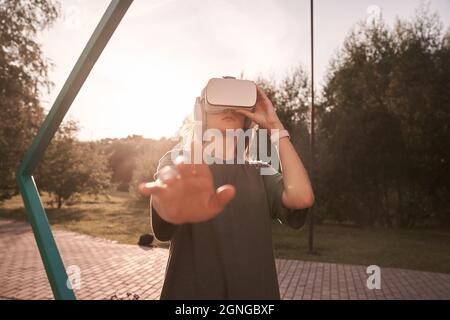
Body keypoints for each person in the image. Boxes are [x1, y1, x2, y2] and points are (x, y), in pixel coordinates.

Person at [139, 84, 315, 300]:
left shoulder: (260, 171)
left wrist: (275, 126)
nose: (229, 109)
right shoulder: (181, 161)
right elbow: (165, 211)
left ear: (247, 120)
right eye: (219, 103)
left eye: (237, 105)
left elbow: (301, 197)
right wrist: (171, 202)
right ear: (201, 112)